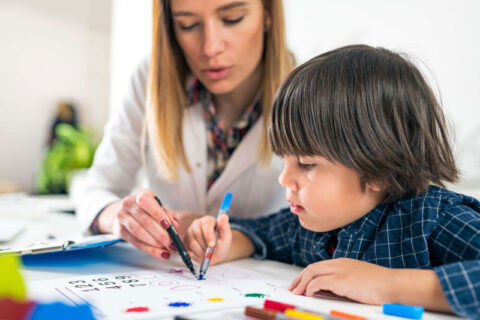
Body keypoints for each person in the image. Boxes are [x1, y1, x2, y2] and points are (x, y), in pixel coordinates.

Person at [185, 45, 480, 318]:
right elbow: (262, 233)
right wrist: (226, 243)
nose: (284, 178)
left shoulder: (434, 219)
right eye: (284, 160)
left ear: (377, 170)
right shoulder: (314, 223)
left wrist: (386, 284)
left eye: (307, 164)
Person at [75, 0, 293, 261]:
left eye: (233, 18)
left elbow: (325, 230)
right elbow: (96, 189)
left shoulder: (311, 94)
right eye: (187, 24)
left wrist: (235, 235)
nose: (210, 48)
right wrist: (119, 217)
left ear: (267, 14)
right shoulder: (150, 79)